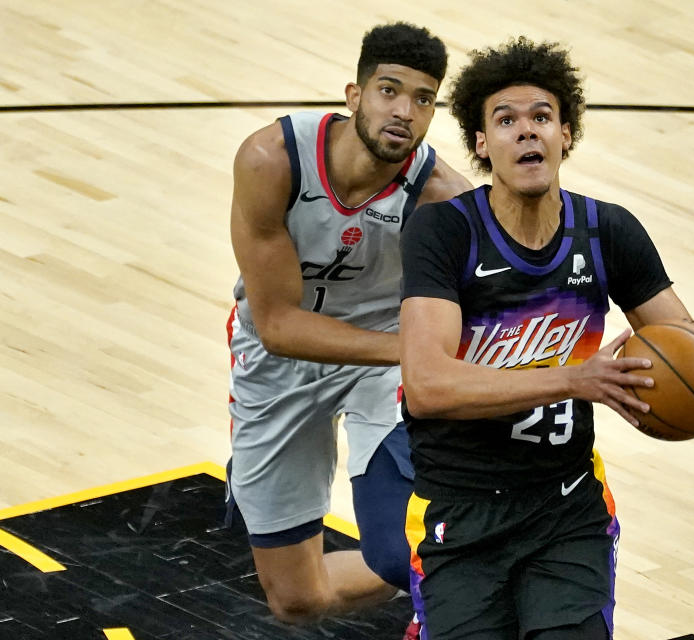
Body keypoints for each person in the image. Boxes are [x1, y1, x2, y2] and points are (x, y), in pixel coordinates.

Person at [399, 37, 694, 639]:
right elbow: (427, 386)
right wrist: (573, 379)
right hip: (458, 510)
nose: (526, 132)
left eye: (541, 118)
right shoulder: (445, 232)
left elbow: (676, 339)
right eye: (505, 120)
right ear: (482, 144)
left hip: (565, 505)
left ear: (566, 136)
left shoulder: (607, 231)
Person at [225, 22, 472, 630]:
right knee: (296, 601)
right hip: (281, 360)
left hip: (383, 371)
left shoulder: (439, 195)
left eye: (423, 100)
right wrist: (409, 350)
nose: (405, 112)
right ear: (353, 95)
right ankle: (432, 573)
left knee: (399, 549)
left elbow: (505, 279)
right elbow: (281, 325)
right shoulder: (272, 160)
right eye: (389, 90)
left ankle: (447, 587)